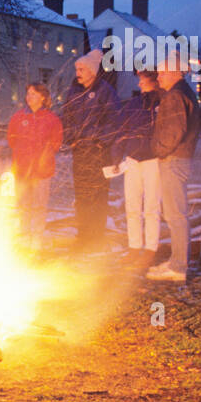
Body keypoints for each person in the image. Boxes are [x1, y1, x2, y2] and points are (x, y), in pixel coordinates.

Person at [60, 49, 120, 252]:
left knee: (98, 196)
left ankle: (96, 237)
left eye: (82, 69)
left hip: (98, 153)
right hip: (80, 152)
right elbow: (66, 117)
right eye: (77, 69)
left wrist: (98, 141)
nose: (78, 72)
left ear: (93, 71)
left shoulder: (105, 91)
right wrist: (72, 139)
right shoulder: (73, 91)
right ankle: (83, 235)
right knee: (82, 195)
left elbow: (113, 121)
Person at [147, 60, 201, 282]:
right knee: (174, 213)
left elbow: (173, 131)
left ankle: (178, 267)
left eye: (161, 73)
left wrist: (159, 150)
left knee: (175, 214)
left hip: (173, 158)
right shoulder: (184, 93)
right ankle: (176, 261)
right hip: (178, 157)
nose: (158, 78)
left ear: (173, 73)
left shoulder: (175, 96)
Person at [112, 71, 162, 268]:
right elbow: (122, 131)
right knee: (132, 205)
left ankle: (151, 249)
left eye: (144, 80)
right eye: (139, 80)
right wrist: (117, 155)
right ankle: (134, 247)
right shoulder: (133, 104)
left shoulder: (162, 104)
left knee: (151, 207)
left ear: (155, 82)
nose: (140, 84)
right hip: (133, 159)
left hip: (153, 161)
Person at [7, 83, 63, 252]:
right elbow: (12, 139)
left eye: (33, 94)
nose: (28, 97)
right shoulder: (18, 117)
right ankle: (24, 235)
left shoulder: (51, 119)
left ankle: (37, 237)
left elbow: (56, 142)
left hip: (41, 171)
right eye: (28, 93)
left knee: (39, 205)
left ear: (43, 97)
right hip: (22, 170)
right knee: (23, 204)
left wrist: (42, 158)